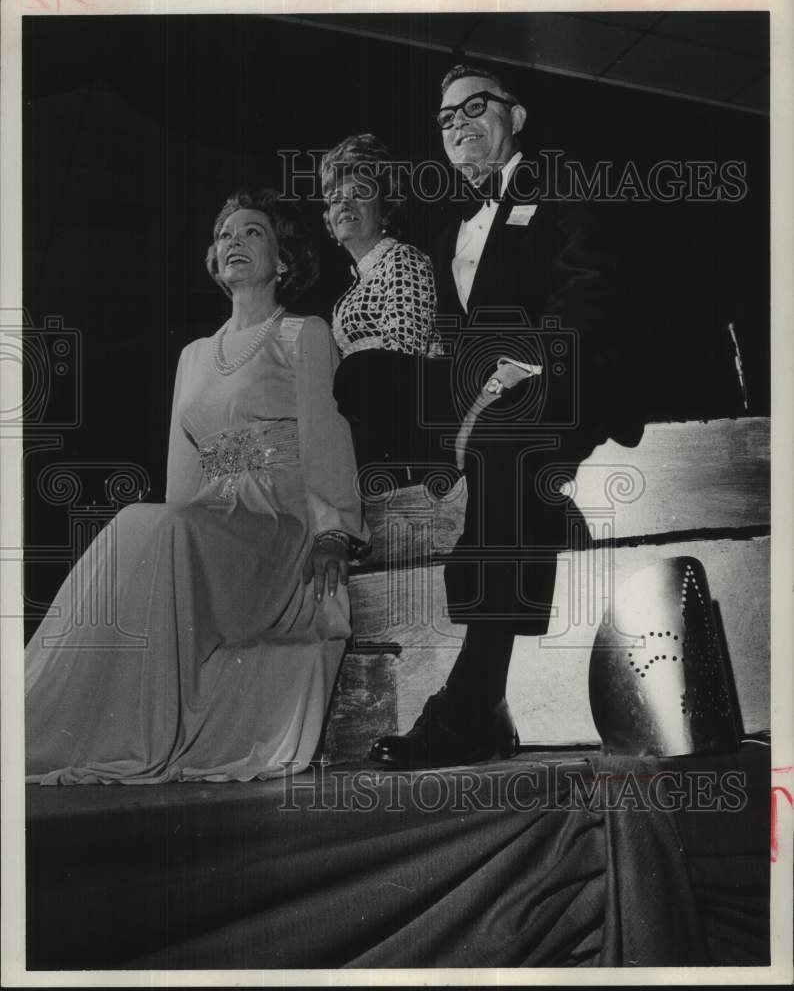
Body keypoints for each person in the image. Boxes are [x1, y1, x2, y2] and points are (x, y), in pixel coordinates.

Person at [25, 187, 368, 784]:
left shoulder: (304, 333)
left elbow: (326, 435)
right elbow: (181, 483)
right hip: (207, 524)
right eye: (224, 235)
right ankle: (55, 729)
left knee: (157, 525)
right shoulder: (192, 356)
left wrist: (335, 530)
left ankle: (133, 731)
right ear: (214, 261)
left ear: (283, 260)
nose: (234, 241)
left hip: (276, 525)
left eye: (252, 232)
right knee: (146, 522)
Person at [369, 64, 632, 769]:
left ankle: (475, 697)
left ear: (516, 117)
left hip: (571, 370)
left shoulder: (561, 179)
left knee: (505, 441)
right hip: (496, 394)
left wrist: (530, 365)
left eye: (472, 107)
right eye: (445, 118)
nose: (456, 123)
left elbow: (589, 289)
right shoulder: (453, 222)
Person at [321, 133, 439, 489]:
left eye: (360, 194)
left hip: (407, 440)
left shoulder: (403, 259)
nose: (346, 205)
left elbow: (403, 359)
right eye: (336, 199)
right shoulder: (347, 294)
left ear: (385, 208)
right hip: (367, 438)